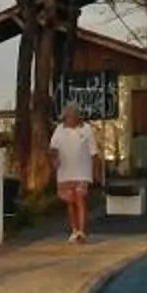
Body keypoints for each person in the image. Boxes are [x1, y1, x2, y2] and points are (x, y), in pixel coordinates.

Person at [50, 104, 98, 243]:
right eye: (66, 117)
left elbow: (93, 152)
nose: (67, 120)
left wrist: (96, 172)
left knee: (80, 199)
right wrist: (54, 158)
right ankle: (74, 230)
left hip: (82, 171)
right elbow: (53, 148)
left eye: (70, 117)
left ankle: (82, 232)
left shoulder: (86, 129)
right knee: (70, 201)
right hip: (65, 172)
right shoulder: (59, 129)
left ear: (76, 117)